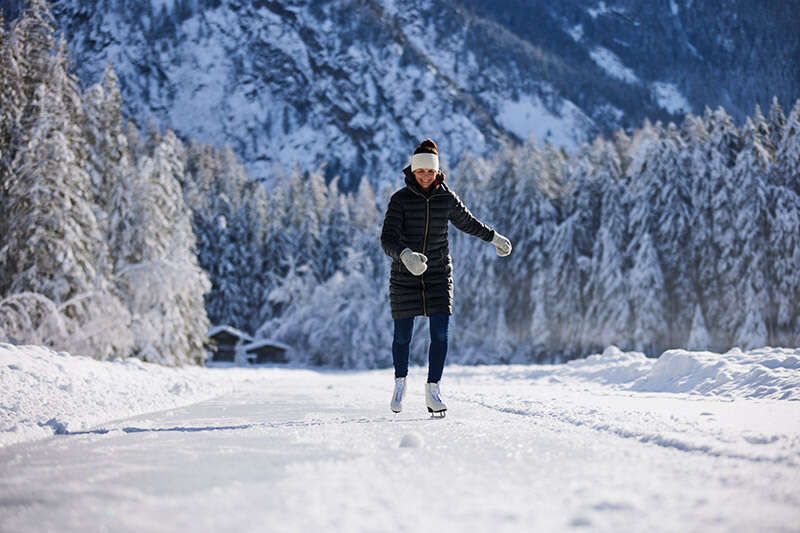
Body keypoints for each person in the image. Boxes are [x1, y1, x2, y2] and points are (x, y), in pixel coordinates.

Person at [380, 138, 512, 417]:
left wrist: (494, 237)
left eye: (430, 171)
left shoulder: (446, 198)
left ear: (437, 172)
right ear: (413, 172)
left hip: (439, 273)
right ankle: (400, 384)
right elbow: (387, 238)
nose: (425, 176)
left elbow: (468, 221)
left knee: (440, 334)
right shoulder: (400, 200)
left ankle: (433, 389)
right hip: (405, 275)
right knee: (403, 336)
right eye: (421, 171)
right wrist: (404, 255)